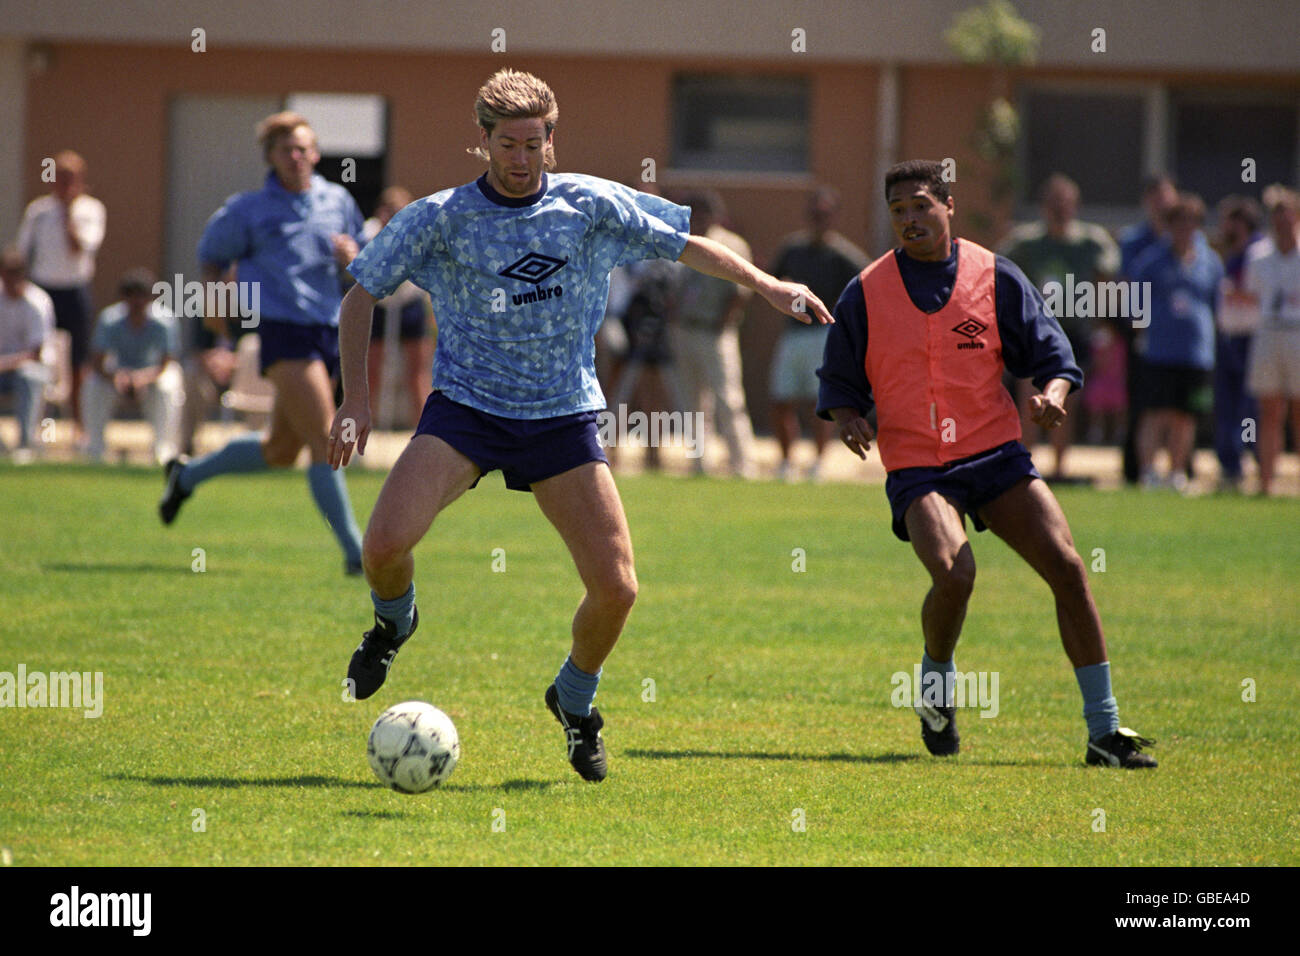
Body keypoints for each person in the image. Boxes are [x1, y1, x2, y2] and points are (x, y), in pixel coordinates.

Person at [327, 69, 831, 782]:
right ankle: (393, 623)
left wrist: (768, 285)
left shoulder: (589, 203)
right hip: (467, 409)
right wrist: (356, 401)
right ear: (484, 142)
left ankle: (574, 700)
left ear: (551, 140)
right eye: (508, 144)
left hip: (561, 415)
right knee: (382, 545)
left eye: (534, 143)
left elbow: (683, 242)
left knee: (618, 589)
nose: (522, 157)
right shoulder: (441, 217)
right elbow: (361, 296)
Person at [818, 159, 1156, 769]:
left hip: (996, 455)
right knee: (954, 574)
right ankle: (937, 685)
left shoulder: (996, 277)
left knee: (1068, 567)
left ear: (948, 205)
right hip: (920, 465)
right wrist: (849, 419)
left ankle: (1104, 731)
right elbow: (839, 382)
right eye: (898, 211)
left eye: (922, 204)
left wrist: (1052, 397)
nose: (910, 219)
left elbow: (1054, 355)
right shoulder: (865, 291)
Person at [158, 112, 367, 575]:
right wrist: (216, 322)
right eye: (285, 150)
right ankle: (358, 553)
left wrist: (354, 257)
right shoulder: (247, 209)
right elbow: (210, 258)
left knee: (280, 452)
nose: (296, 157)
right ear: (270, 157)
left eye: (303, 148)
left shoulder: (338, 199)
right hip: (281, 331)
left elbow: (365, 260)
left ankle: (186, 475)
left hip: (328, 331)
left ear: (315, 153)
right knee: (324, 437)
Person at [999, 173, 1120, 480]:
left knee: (1064, 403)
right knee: (1030, 398)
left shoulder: (1090, 242)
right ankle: (1024, 464)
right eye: (1053, 203)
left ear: (1075, 205)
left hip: (1073, 332)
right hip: (1034, 332)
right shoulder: (1026, 243)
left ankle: (1059, 468)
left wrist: (1104, 328)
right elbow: (995, 272)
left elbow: (1106, 282)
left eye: (1065, 203)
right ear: (1043, 206)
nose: (1059, 210)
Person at [768, 186, 868, 481]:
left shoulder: (843, 255)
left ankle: (817, 463)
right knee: (780, 398)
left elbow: (866, 286)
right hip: (793, 333)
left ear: (833, 217)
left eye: (824, 214)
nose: (818, 219)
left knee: (818, 403)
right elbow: (774, 280)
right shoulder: (792, 248)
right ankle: (786, 461)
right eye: (814, 213)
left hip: (823, 337)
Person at [1130, 193, 1221, 492]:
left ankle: (1177, 472)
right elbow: (1135, 304)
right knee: (1156, 412)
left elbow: (1216, 302)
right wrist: (1141, 334)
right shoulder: (1152, 261)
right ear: (1169, 226)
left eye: (1191, 222)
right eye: (1179, 223)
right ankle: (1148, 472)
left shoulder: (1210, 261)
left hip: (1196, 353)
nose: (1185, 229)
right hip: (1159, 350)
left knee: (1186, 415)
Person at [15, 150, 106, 441]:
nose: (64, 182)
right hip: (43, 291)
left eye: (70, 177)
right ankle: (39, 425)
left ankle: (78, 425)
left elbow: (81, 248)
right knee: (42, 356)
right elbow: (22, 252)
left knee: (78, 362)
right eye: (59, 175)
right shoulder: (38, 211)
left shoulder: (91, 210)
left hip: (74, 291)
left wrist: (68, 213)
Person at [669, 190, 758, 478]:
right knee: (692, 401)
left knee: (728, 399)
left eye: (702, 214)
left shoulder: (731, 244)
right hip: (685, 327)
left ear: (715, 215)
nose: (698, 220)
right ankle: (699, 464)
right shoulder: (681, 240)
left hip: (715, 330)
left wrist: (726, 322)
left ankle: (742, 464)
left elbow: (742, 290)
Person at [82, 269, 184, 464]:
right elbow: (97, 362)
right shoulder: (109, 319)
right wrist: (117, 377)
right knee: (93, 384)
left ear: (150, 298)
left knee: (169, 384)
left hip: (152, 373)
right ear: (123, 298)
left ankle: (162, 449)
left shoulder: (164, 321)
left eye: (142, 296)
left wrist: (141, 378)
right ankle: (95, 448)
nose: (137, 302)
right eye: (131, 296)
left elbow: (165, 363)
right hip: (117, 372)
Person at [1117, 174, 1179, 484]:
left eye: (1166, 197)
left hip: (1178, 335)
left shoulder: (1186, 238)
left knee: (1178, 405)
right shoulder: (1133, 241)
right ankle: (1136, 469)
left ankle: (1179, 468)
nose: (1161, 204)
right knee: (1142, 401)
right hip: (1143, 331)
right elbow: (1128, 286)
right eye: (1155, 198)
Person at [1243, 187, 1300, 496]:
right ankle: (1266, 480)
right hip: (1268, 332)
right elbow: (1252, 296)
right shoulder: (1259, 256)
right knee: (1269, 410)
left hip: (1298, 333)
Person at [364, 186, 435, 430]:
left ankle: (423, 431)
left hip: (409, 305)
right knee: (371, 373)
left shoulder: (418, 233)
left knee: (417, 375)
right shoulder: (369, 233)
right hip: (380, 306)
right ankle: (366, 432)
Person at [1212, 195, 1264, 491]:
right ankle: (1231, 465)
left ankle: (1256, 460)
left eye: (1227, 221)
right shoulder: (1230, 254)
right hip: (1228, 337)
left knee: (1252, 405)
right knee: (1227, 404)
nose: (1222, 227)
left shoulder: (1258, 252)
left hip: (1252, 338)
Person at [0, 246, 55, 462]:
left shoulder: (37, 303)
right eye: (6, 273)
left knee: (28, 376)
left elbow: (35, 354)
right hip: (3, 368)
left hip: (35, 368)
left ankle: (25, 443)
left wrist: (4, 364)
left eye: (15, 273)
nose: (11, 279)